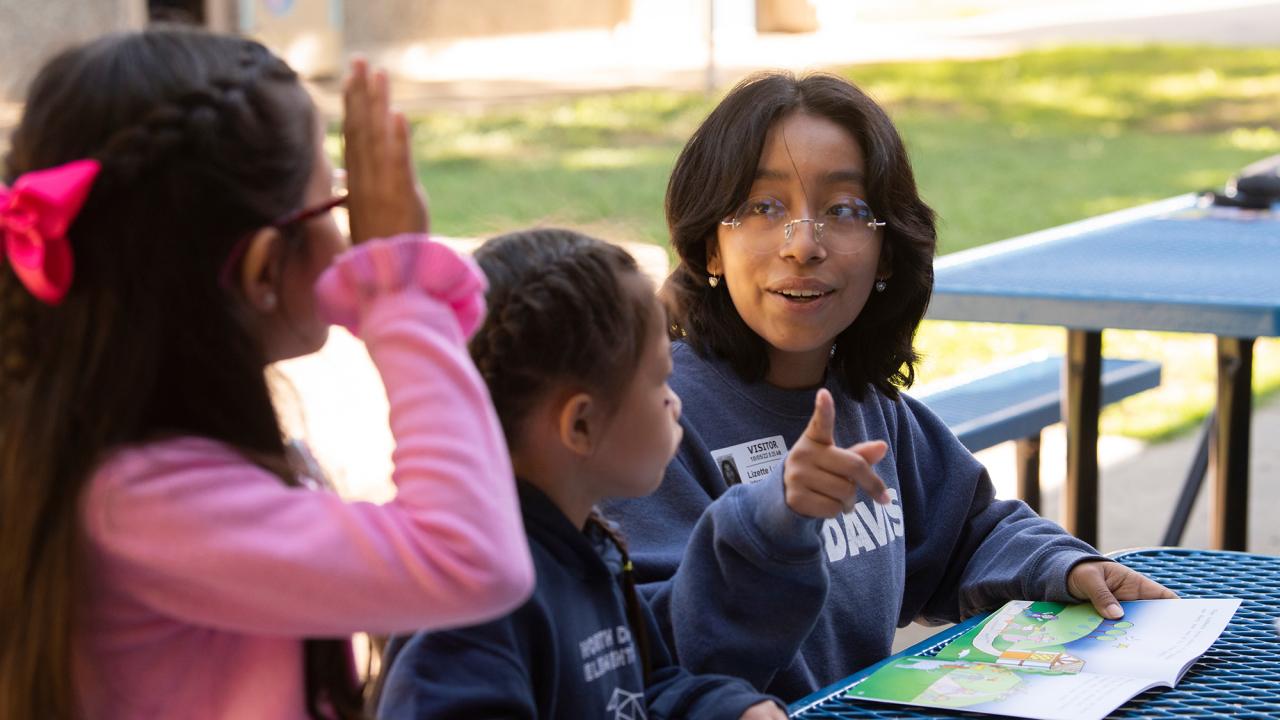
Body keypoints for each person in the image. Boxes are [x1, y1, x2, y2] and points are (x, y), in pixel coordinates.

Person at [0, 27, 533, 719]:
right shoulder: (144, 505)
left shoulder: (124, 467)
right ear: (262, 270)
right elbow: (472, 558)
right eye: (333, 204)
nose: (348, 234)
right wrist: (400, 292)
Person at [601, 71, 1176, 702]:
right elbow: (639, 652)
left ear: (887, 253)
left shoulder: (871, 408)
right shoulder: (654, 418)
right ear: (711, 246)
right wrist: (769, 526)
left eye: (844, 210)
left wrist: (1065, 567)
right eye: (764, 207)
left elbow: (968, 535)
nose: (804, 245)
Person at [375, 229, 786, 720]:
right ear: (581, 425)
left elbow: (643, 690)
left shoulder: (588, 546)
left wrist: (729, 709)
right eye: (659, 381)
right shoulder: (474, 605)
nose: (674, 402)